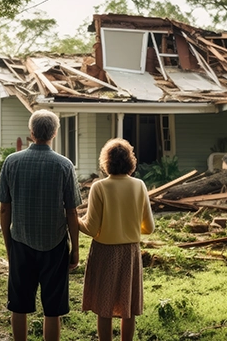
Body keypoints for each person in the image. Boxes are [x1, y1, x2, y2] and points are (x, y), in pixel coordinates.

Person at [0, 109, 81, 341]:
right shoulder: (64, 165)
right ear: (54, 133)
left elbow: (5, 208)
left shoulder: (12, 162)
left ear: (31, 132)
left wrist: (9, 246)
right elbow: (72, 211)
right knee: (52, 310)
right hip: (54, 246)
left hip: (21, 242)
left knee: (19, 305)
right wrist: (75, 248)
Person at [79, 138, 155, 341]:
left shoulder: (100, 187)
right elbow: (149, 228)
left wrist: (73, 219)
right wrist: (127, 226)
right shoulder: (139, 185)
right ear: (131, 161)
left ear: (106, 162)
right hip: (130, 252)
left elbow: (91, 228)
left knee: (104, 307)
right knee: (127, 306)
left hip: (105, 252)